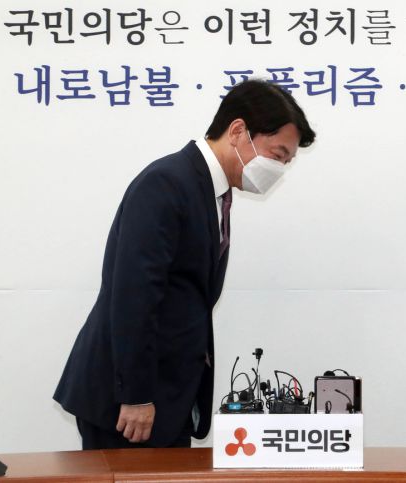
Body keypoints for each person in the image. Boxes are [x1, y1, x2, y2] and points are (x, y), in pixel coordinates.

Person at [53, 80, 315, 449]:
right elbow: (134, 296)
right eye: (277, 155)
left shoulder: (213, 192)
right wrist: (137, 396)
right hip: (129, 405)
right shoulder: (166, 183)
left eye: (285, 163)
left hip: (170, 398)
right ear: (238, 131)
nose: (278, 169)